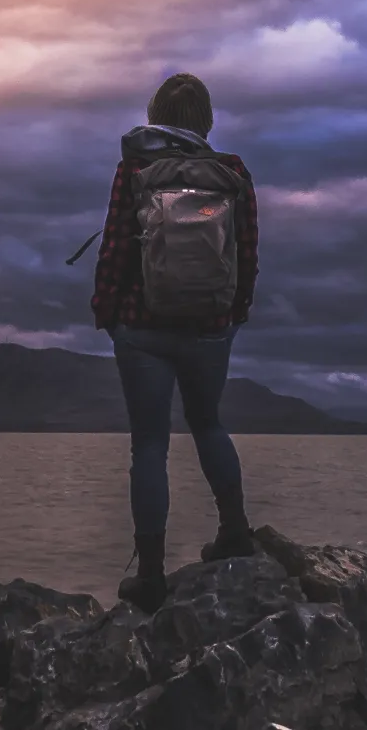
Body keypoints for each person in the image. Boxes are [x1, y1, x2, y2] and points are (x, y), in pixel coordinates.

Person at [90, 72, 259, 613]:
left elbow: (116, 246)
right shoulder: (231, 173)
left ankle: (152, 576)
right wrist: (235, 313)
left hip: (143, 327)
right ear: (205, 119)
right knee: (208, 423)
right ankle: (234, 531)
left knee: (149, 444)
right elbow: (247, 249)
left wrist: (108, 313)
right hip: (210, 324)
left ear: (155, 112)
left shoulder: (135, 169)